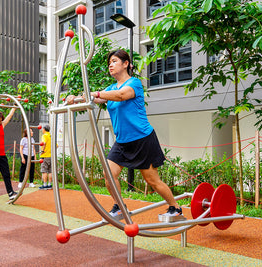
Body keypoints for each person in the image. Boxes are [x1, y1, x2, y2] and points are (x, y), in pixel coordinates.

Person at [66, 49, 184, 220]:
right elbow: (95, 99)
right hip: (122, 142)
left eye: (114, 61)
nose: (110, 65)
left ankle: (175, 207)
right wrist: (75, 98)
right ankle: (119, 206)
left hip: (142, 139)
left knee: (152, 181)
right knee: (108, 174)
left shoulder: (134, 83)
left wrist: (95, 94)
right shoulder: (110, 88)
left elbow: (121, 96)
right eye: (109, 63)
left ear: (126, 64)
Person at [39, 125, 53, 190]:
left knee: (44, 171)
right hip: (51, 156)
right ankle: (49, 185)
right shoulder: (51, 136)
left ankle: (44, 185)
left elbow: (43, 143)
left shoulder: (44, 135)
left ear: (44, 129)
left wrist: (42, 151)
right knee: (50, 171)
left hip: (45, 156)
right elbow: (56, 145)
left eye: (42, 129)